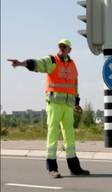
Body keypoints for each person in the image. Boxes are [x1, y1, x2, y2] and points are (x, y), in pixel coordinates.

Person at [8, 39, 90, 178]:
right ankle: (52, 168)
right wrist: (22, 63)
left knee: (70, 136)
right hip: (54, 104)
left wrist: (77, 101)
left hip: (68, 105)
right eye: (60, 46)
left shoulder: (72, 64)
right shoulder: (52, 60)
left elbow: (74, 84)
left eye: (65, 47)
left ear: (69, 50)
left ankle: (74, 168)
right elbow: (38, 64)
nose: (62, 49)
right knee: (53, 134)